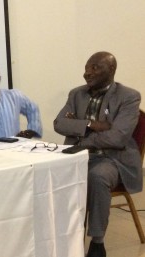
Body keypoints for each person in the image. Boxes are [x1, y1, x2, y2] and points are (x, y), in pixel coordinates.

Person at [53, 51, 142, 257]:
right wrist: (92, 124)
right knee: (49, 172)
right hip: (78, 156)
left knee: (97, 176)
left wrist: (82, 136)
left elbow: (118, 138)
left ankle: (97, 241)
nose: (87, 73)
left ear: (111, 69)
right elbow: (59, 124)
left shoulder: (129, 96)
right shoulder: (76, 94)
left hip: (113, 159)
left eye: (94, 67)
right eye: (86, 68)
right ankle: (60, 235)